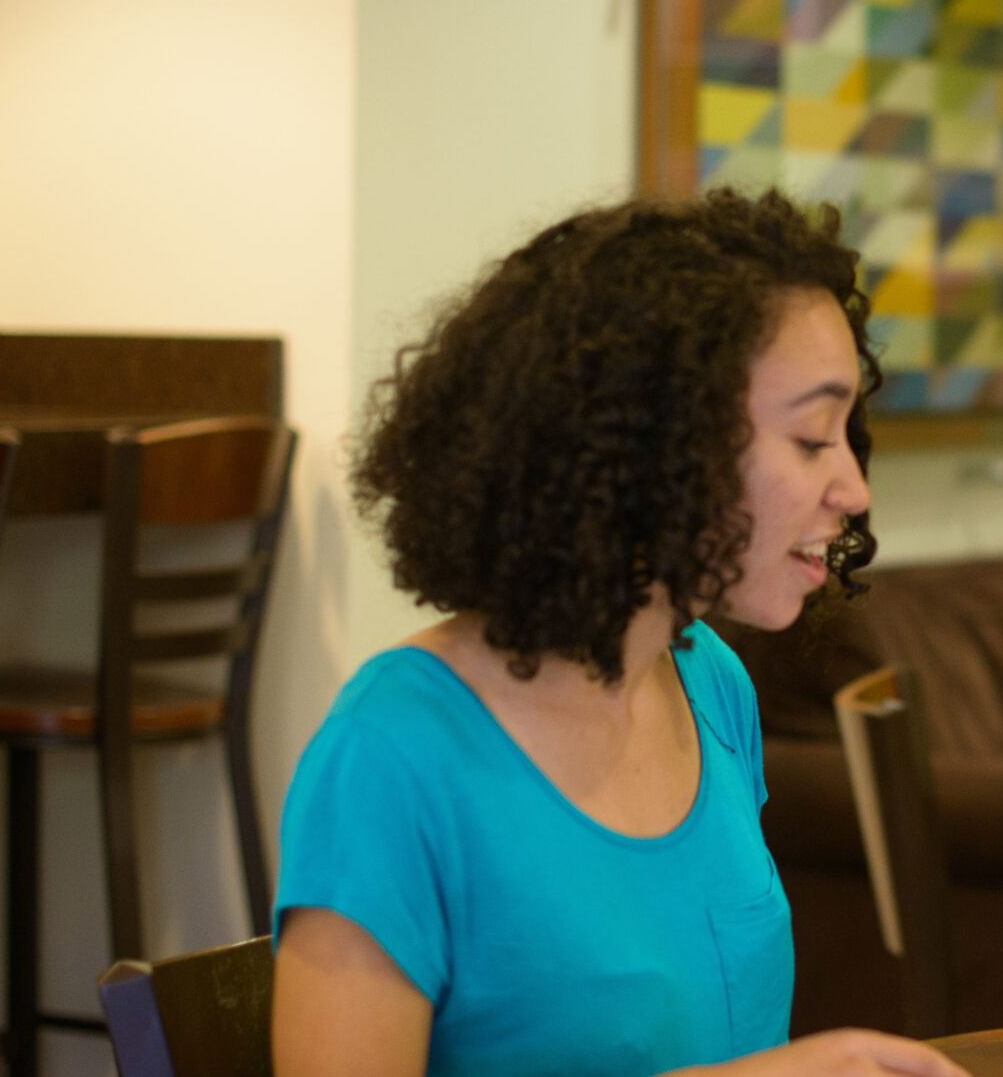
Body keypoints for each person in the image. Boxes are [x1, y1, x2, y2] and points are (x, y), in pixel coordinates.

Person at [272, 190, 967, 1077]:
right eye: (808, 439)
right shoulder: (391, 757)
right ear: (653, 443)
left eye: (846, 438)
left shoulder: (709, 681)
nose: (853, 489)